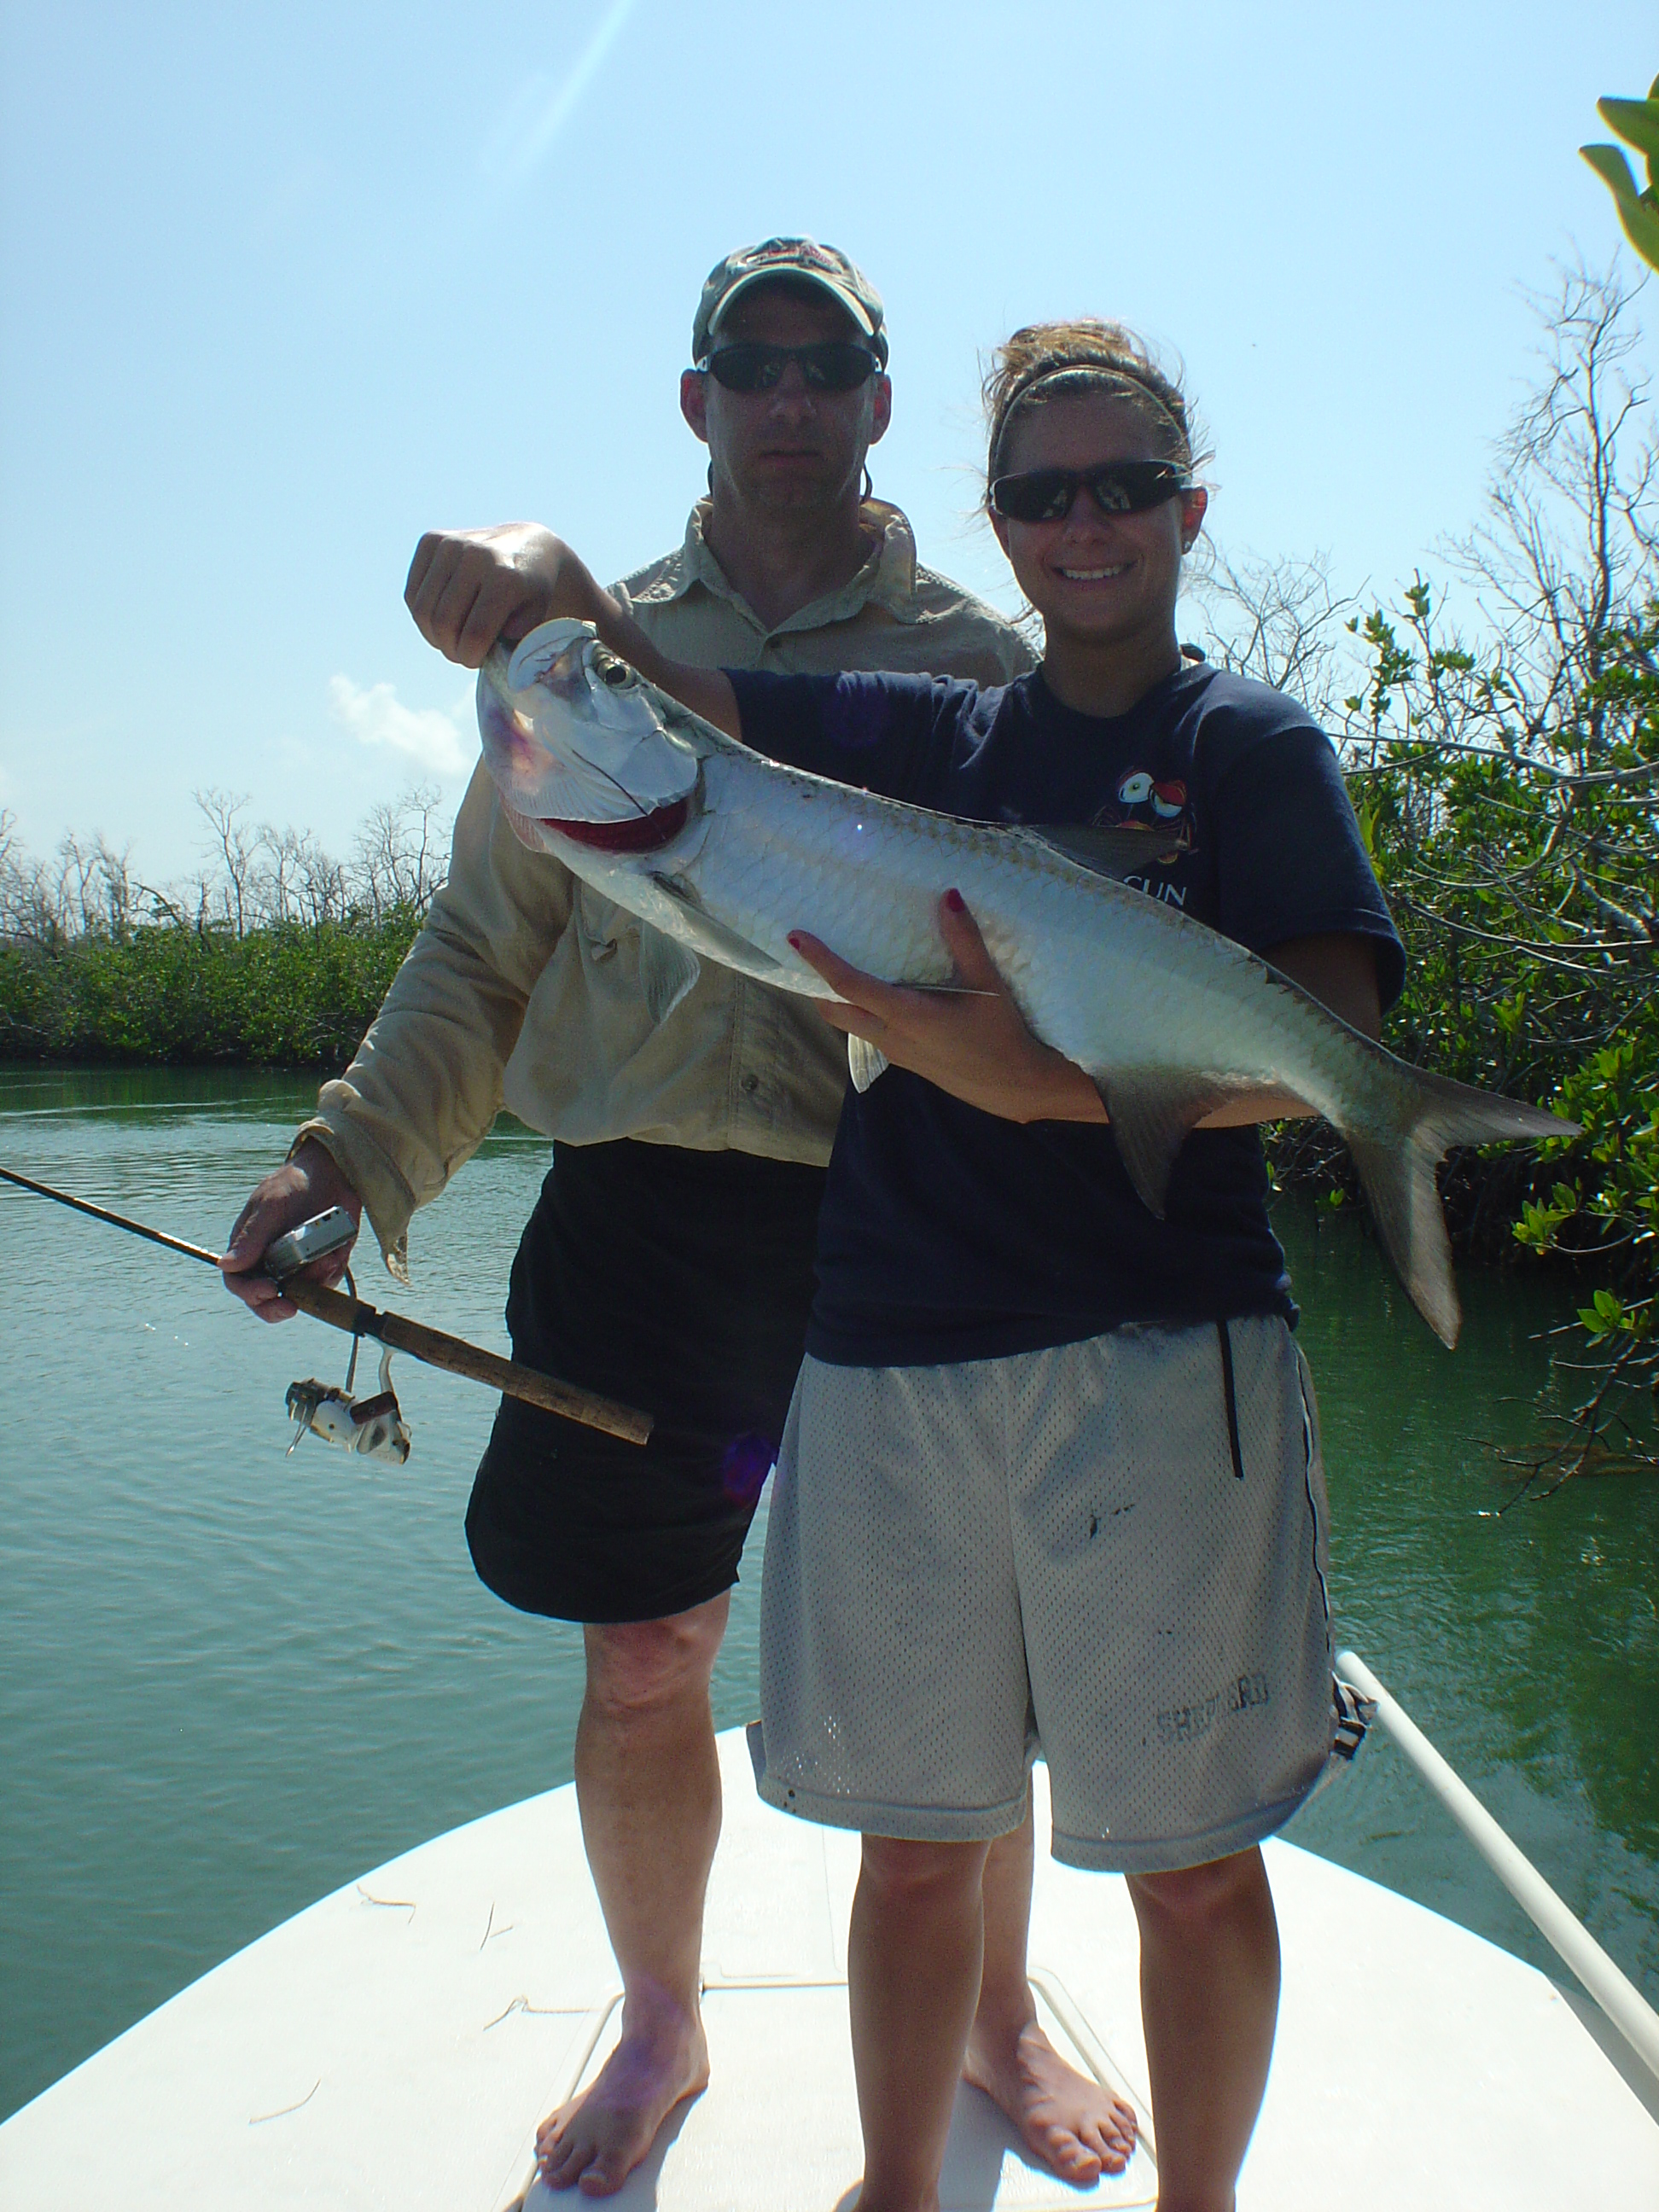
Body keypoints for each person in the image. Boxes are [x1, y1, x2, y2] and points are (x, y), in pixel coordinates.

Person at [221, 245, 1138, 2197]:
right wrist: (345, 1164)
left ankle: (994, 2007)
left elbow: (1063, 983)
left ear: (882, 401)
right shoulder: (580, 652)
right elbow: (480, 952)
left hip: (923, 1210)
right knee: (646, 1653)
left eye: (830, 366)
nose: (789, 396)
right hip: (636, 1214)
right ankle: (661, 2014)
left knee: (970, 1662)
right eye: (753, 364)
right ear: (698, 398)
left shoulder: (983, 663)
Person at [483, 317, 1403, 2212]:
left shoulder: (1251, 746)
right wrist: (542, 594)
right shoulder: (936, 733)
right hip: (892, 1351)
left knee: (1192, 1862)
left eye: (1123, 486)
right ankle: (898, 2194)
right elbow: (689, 707)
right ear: (995, 521)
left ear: (1186, 507)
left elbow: (1326, 1043)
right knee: (914, 1845)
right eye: (1045, 493)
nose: (1086, 524)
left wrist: (1030, 1084)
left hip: (1162, 1349)